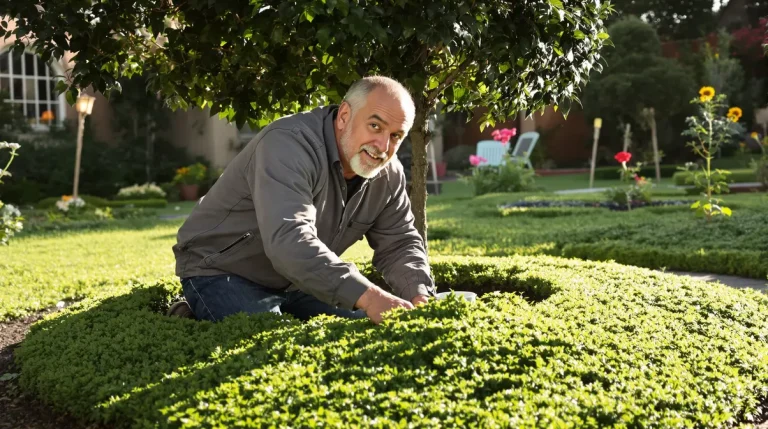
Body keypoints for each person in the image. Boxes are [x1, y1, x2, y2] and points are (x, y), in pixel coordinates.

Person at [168, 76, 435, 324]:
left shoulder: (388, 174)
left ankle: (208, 311)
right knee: (274, 342)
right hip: (221, 270)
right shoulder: (287, 145)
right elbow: (289, 239)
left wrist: (420, 294)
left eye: (396, 136)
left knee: (359, 329)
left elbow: (399, 242)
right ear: (344, 116)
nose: (382, 145)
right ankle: (197, 306)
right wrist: (370, 296)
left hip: (296, 280)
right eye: (375, 126)